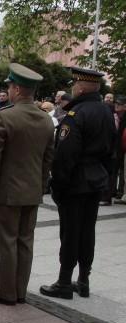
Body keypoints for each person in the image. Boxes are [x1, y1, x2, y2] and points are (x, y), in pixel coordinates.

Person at [40, 67, 116, 299]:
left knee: (70, 232)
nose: (73, 88)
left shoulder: (76, 114)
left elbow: (65, 155)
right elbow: (110, 150)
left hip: (75, 181)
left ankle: (64, 281)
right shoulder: (105, 111)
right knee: (86, 231)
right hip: (95, 179)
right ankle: (83, 280)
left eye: (74, 85)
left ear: (81, 88)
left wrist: (58, 184)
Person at [0, 63, 54, 306]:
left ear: (17, 89)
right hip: (32, 192)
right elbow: (47, 159)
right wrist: (41, 186)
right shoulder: (45, 120)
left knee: (6, 242)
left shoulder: (5, 117)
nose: (9, 91)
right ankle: (20, 291)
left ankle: (6, 292)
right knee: (25, 241)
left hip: (7, 193)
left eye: (10, 87)